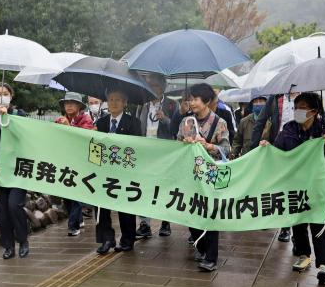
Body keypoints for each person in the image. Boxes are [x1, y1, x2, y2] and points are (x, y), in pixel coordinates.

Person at [260, 92, 325, 284]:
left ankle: (323, 265)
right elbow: (277, 151)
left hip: (317, 186)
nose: (298, 111)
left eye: (303, 108)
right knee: (298, 220)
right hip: (294, 185)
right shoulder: (289, 129)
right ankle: (304, 254)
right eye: (296, 107)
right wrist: (267, 147)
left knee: (317, 222)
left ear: (314, 111)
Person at [177, 83, 230, 272]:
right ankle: (201, 246)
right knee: (191, 212)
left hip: (211, 175)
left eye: (195, 99)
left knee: (211, 215)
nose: (191, 102)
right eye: (190, 99)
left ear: (206, 101)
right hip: (191, 175)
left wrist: (209, 146)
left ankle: (211, 257)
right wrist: (185, 143)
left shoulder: (220, 123)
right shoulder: (186, 122)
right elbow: (176, 146)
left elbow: (226, 150)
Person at [0, 82, 29, 259]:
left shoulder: (20, 115)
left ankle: (23, 241)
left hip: (18, 170)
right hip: (0, 174)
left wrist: (8, 120)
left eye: (5, 93)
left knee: (14, 205)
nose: (1, 96)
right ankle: (8, 246)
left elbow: (25, 139)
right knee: (3, 209)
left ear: (11, 95)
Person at [95, 88, 141, 255]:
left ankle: (128, 239)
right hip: (104, 171)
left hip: (125, 171)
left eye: (118, 99)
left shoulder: (134, 123)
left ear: (125, 103)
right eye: (111, 99)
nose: (113, 103)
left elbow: (136, 147)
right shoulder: (100, 123)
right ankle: (106, 239)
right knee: (101, 205)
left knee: (125, 205)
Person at [250, 93, 299, 242]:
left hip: (299, 150)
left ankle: (288, 228)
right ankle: (275, 219)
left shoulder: (307, 96)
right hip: (277, 148)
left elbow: (319, 119)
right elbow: (260, 122)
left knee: (293, 190)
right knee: (276, 186)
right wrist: (253, 150)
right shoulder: (275, 98)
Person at [135, 73, 178, 238]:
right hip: (146, 152)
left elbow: (177, 129)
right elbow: (139, 127)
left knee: (164, 187)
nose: (151, 89)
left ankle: (165, 222)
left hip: (164, 153)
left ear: (162, 87)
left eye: (154, 86)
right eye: (149, 86)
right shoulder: (143, 105)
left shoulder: (173, 104)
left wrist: (166, 119)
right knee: (144, 187)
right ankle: (144, 224)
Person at [55, 92, 94, 236]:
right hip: (64, 162)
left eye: (73, 103)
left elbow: (85, 138)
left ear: (79, 106)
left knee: (75, 192)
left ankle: (73, 226)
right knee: (66, 194)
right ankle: (78, 218)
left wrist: (70, 128)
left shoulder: (86, 119)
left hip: (80, 162)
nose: (69, 105)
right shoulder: (59, 120)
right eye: (66, 103)